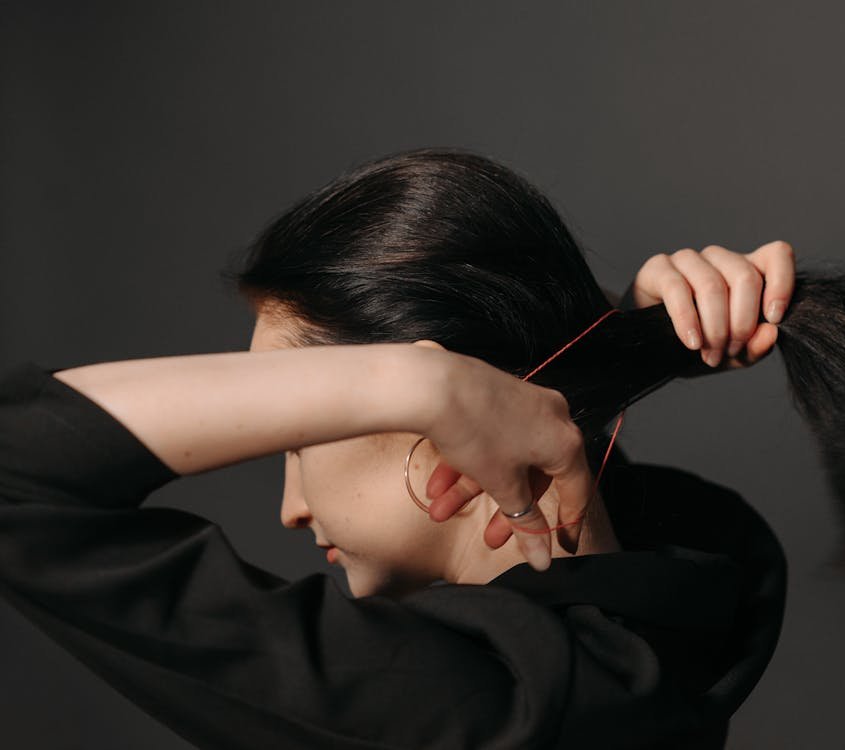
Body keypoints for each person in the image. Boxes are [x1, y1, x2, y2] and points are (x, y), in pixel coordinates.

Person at [0, 149, 798, 749]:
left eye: (300, 436)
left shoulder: (453, 705)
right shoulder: (693, 595)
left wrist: (406, 382)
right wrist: (618, 336)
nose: (291, 508)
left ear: (441, 430)